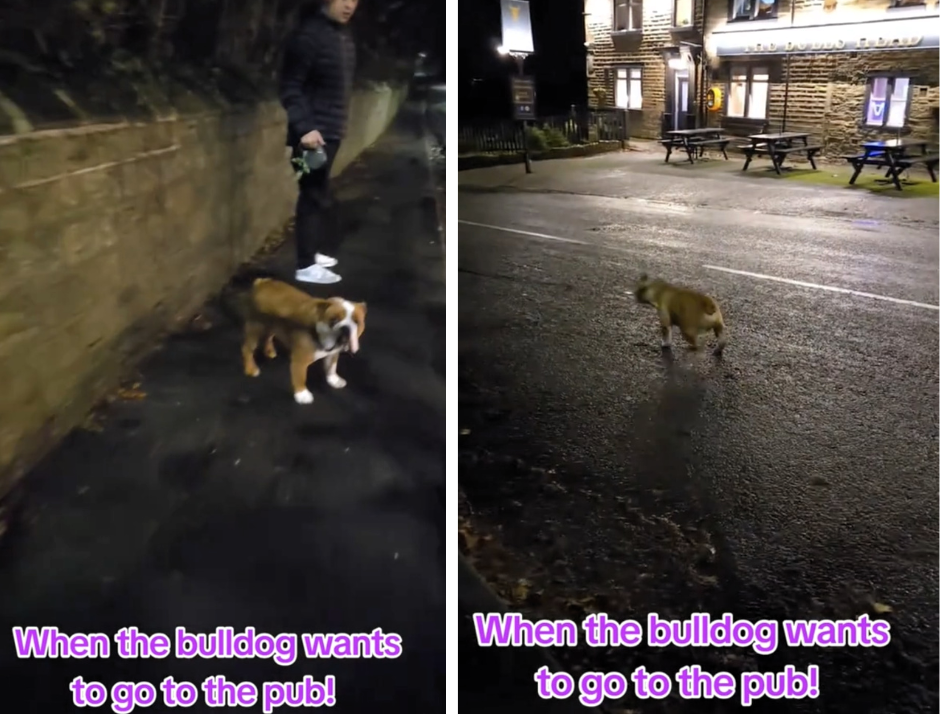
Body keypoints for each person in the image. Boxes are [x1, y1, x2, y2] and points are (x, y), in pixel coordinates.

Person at [279, 0, 359, 284]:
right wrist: (305, 128)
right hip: (311, 138)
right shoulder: (309, 36)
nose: (350, 5)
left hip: (331, 134)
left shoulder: (342, 35)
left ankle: (310, 253)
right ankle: (305, 265)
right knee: (312, 195)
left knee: (319, 192)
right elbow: (290, 86)